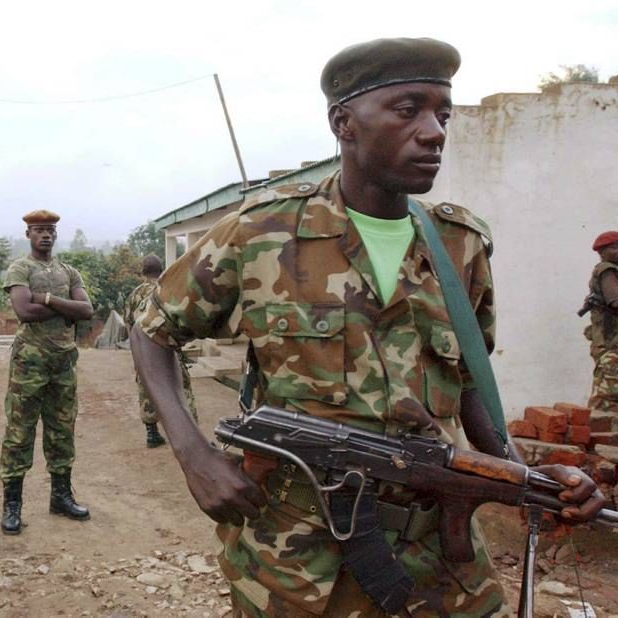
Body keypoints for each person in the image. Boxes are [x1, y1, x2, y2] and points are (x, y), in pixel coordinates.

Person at [130, 37, 605, 616]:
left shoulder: (461, 245)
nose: (433, 131)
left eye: (443, 115)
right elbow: (152, 330)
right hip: (296, 555)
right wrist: (195, 456)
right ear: (344, 123)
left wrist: (524, 474)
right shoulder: (259, 234)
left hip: (437, 553)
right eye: (408, 110)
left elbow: (472, 383)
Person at [0, 210, 93, 535]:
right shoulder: (20, 269)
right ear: (28, 235)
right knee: (19, 432)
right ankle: (12, 505)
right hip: (29, 364)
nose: (46, 235)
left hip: (63, 362)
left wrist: (49, 298)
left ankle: (61, 497)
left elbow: (87, 310)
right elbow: (24, 310)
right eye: (39, 230)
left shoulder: (69, 271)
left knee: (62, 430)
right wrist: (65, 306)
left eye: (50, 230)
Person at [123, 254, 198, 448]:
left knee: (146, 388)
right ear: (162, 270)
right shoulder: (167, 290)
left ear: (142, 272)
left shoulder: (133, 295)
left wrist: (137, 355)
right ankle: (191, 435)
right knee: (183, 389)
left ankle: (152, 433)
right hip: (167, 347)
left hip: (144, 350)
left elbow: (129, 326)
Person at [586, 231, 618, 412]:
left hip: (610, 343)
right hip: (609, 343)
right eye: (614, 248)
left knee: (605, 390)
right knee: (609, 394)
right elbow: (615, 301)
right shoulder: (607, 270)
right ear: (602, 253)